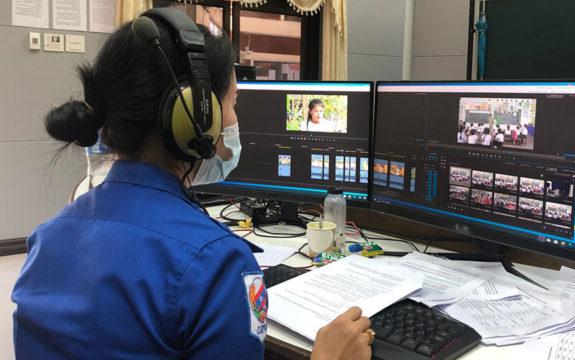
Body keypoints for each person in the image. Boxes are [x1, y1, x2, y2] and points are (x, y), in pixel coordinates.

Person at [12, 10, 372, 360]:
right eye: (232, 103)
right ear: (196, 118)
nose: (233, 120)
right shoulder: (216, 263)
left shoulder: (47, 238)